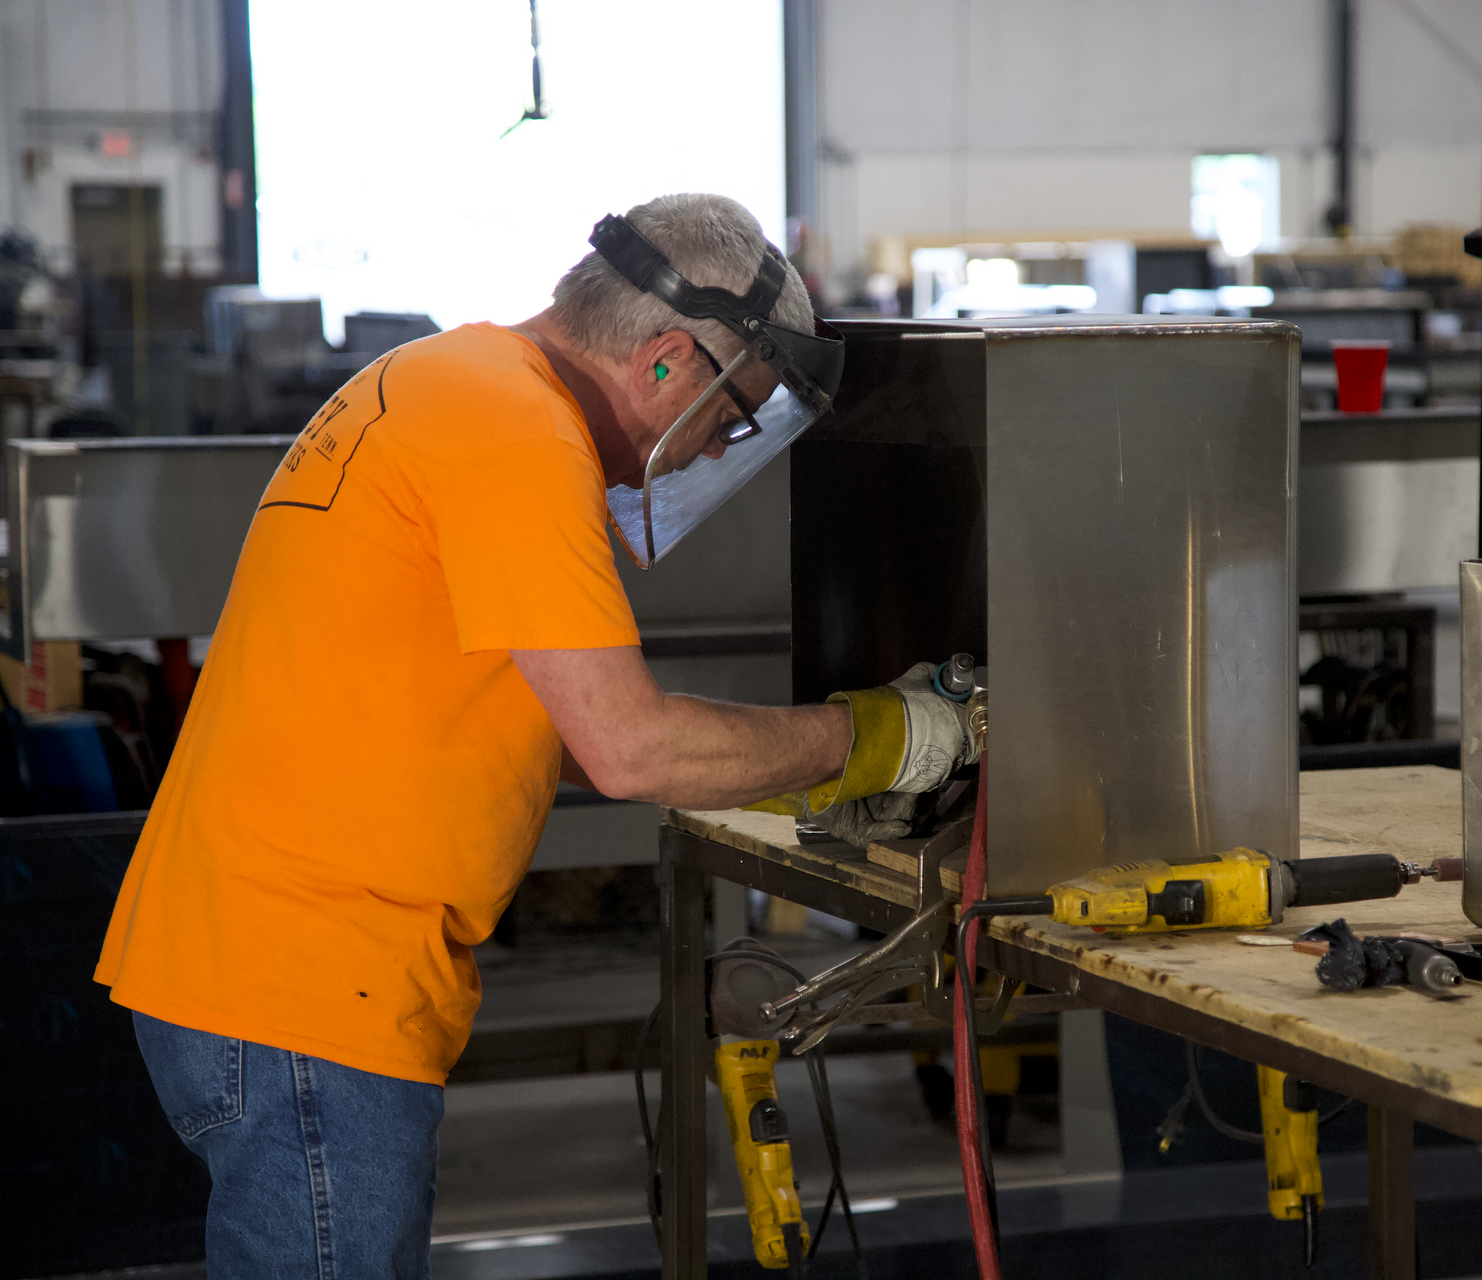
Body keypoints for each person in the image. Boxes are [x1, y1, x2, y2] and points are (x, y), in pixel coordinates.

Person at [94, 193, 976, 1278]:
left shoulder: (451, 382)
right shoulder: (516, 433)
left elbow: (550, 717)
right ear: (667, 362)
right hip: (303, 984)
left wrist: (799, 769)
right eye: (730, 418)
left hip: (263, 965)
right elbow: (629, 748)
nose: (713, 448)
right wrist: (885, 737)